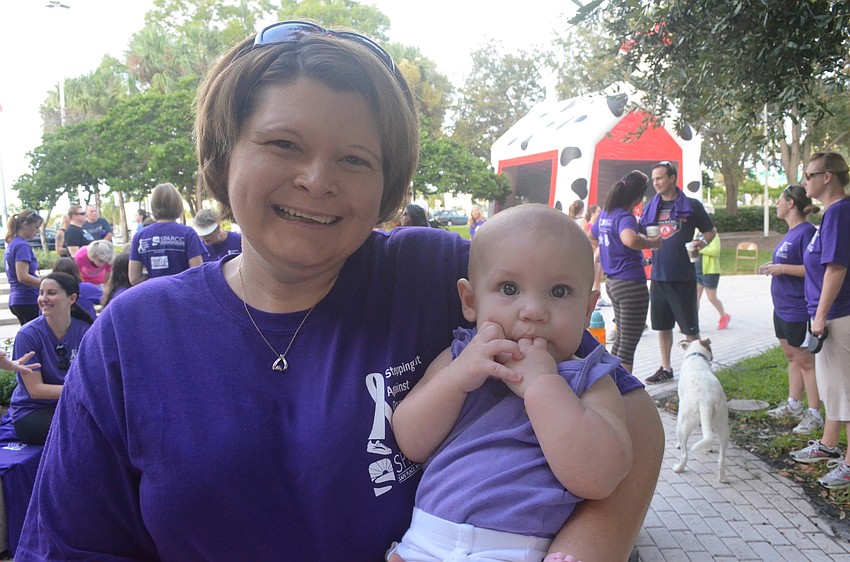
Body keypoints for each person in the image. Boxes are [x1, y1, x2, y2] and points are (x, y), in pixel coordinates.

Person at [16, 21, 663, 561]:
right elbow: (72, 544)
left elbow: (630, 411)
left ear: (385, 184)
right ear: (223, 154)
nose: (317, 179)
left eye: (355, 159)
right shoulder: (133, 336)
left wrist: (588, 548)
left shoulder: (435, 273)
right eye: (283, 144)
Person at [388, 205, 632, 562]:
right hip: (426, 542)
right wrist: (457, 379)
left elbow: (600, 477)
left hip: (514, 550)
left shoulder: (589, 379)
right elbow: (410, 441)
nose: (532, 310)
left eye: (560, 291)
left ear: (587, 309)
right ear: (470, 302)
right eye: (509, 288)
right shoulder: (460, 357)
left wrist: (542, 385)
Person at [789, 152, 850, 489]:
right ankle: (829, 445)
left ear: (828, 177)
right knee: (834, 388)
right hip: (828, 313)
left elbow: (836, 267)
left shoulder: (840, 211)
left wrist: (822, 315)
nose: (805, 181)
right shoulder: (831, 214)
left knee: (845, 389)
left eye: (810, 175)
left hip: (838, 315)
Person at [640, 161, 716, 384]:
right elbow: (640, 232)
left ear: (672, 178)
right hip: (658, 275)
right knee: (662, 326)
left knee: (690, 329)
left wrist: (700, 243)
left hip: (683, 276)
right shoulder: (651, 207)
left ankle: (699, 369)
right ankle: (666, 367)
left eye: (660, 178)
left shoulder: (691, 205)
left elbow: (710, 231)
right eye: (654, 179)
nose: (656, 183)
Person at [6, 272, 93, 445]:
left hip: (72, 405)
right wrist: (83, 391)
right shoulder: (28, 334)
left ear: (72, 298)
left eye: (51, 293)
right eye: (41, 293)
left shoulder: (85, 331)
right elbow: (36, 390)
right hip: (33, 412)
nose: (43, 298)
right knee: (85, 430)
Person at [763, 185, 822, 435]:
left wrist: (782, 269)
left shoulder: (807, 232)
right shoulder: (791, 232)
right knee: (792, 357)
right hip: (782, 308)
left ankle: (814, 413)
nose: (775, 204)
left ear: (791, 204)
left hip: (799, 308)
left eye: (779, 200)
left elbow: (815, 269)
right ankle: (793, 403)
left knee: (806, 362)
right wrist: (774, 266)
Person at [590, 171, 661, 373]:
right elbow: (629, 239)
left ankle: (613, 382)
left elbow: (592, 235)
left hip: (613, 283)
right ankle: (623, 393)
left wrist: (608, 253)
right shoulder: (624, 216)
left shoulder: (605, 214)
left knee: (621, 339)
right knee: (628, 344)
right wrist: (652, 243)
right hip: (630, 284)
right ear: (638, 198)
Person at [128, 182, 205, 284]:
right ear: (178, 204)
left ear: (153, 206)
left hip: (155, 294)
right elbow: (197, 272)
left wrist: (155, 279)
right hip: (182, 293)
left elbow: (134, 278)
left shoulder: (140, 236)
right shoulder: (188, 233)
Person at [4, 210, 43, 325]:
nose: (37, 231)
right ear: (25, 225)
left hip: (17, 299)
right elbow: (23, 276)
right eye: (36, 227)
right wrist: (45, 284)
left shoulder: (13, 243)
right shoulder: (22, 246)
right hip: (28, 298)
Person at [694, 233, 731, 329]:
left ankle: (724, 316)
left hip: (710, 271)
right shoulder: (696, 233)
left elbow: (715, 251)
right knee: (695, 298)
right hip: (697, 270)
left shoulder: (713, 235)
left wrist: (700, 249)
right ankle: (693, 321)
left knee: (712, 297)